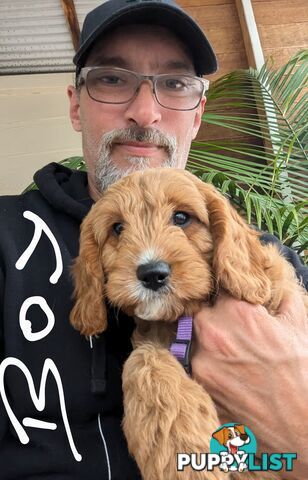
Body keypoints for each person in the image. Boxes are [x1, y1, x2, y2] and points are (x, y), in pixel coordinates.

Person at [0, 0, 307, 479]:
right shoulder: (7, 235)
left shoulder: (268, 259)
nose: (146, 112)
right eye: (112, 79)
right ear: (76, 105)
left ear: (199, 113)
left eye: (175, 83)